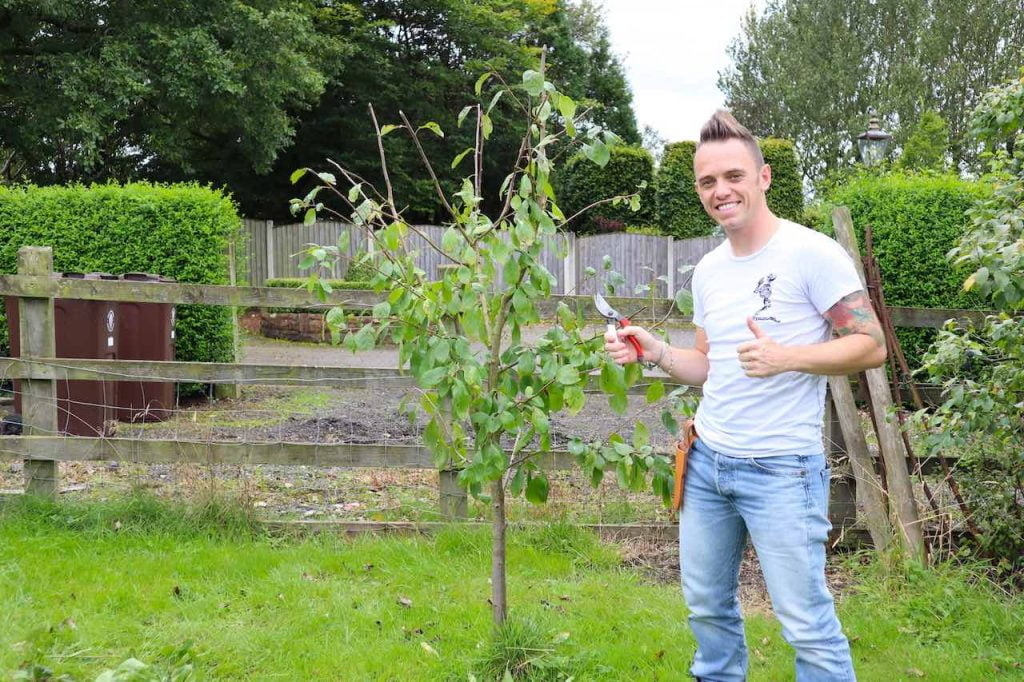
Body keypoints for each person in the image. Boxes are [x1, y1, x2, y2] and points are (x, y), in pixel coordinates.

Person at [604, 110, 885, 681]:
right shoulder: (708, 270)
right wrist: (656, 351)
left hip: (782, 469)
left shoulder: (812, 253)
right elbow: (708, 365)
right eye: (707, 182)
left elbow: (871, 343)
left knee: (804, 622)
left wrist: (788, 356)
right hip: (707, 464)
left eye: (732, 175)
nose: (720, 191)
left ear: (764, 176)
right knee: (707, 610)